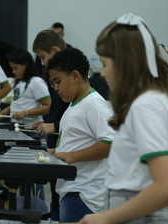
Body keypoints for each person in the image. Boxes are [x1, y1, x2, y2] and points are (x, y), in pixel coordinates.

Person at [79, 13, 168, 224]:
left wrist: (106, 217)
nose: (104, 74)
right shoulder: (163, 101)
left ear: (124, 63)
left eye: (105, 64)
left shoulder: (145, 106)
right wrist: (160, 205)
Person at [45, 47, 115, 223]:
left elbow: (111, 143)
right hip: (72, 191)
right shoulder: (75, 104)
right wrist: (54, 155)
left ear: (75, 76)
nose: (55, 88)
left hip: (83, 195)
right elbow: (77, 142)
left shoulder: (94, 105)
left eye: (58, 81)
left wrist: (71, 156)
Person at [31, 29, 70, 221]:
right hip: (57, 149)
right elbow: (60, 111)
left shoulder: (69, 77)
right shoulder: (60, 77)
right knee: (57, 198)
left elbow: (75, 115)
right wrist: (48, 123)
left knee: (62, 202)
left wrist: (54, 126)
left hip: (67, 154)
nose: (43, 63)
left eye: (43, 57)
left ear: (54, 50)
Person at [0, 48, 51, 128]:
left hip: (29, 129)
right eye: (12, 68)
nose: (13, 72)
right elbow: (23, 102)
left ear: (26, 64)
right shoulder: (19, 82)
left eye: (16, 68)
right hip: (16, 127)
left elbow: (48, 107)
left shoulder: (36, 82)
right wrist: (9, 109)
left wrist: (26, 113)